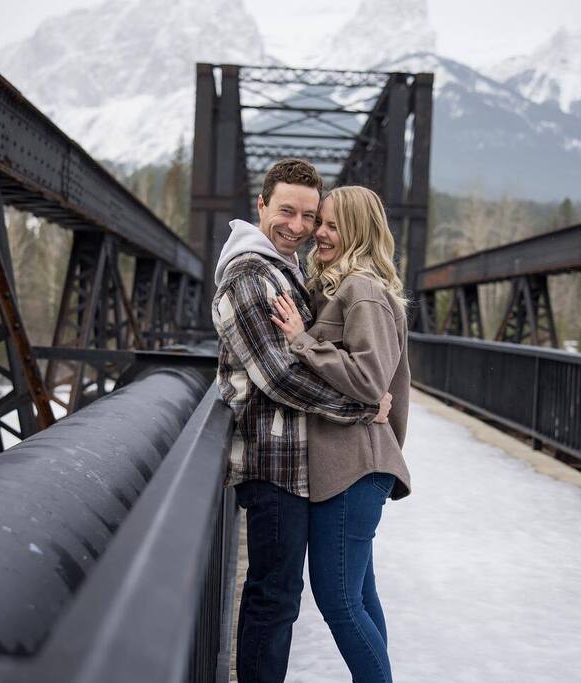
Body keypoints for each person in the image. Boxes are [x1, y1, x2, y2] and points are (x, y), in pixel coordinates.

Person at [212, 160, 393, 683]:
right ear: (261, 206)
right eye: (286, 211)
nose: (298, 226)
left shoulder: (286, 269)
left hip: (301, 462)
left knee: (318, 597)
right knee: (276, 598)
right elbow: (279, 377)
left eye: (311, 217)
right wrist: (361, 408)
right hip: (273, 463)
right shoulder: (251, 273)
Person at [270, 185, 412, 683]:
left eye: (332, 225)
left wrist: (302, 342)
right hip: (350, 464)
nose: (319, 233)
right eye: (320, 222)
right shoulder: (337, 286)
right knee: (359, 598)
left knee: (338, 598)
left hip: (356, 465)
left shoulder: (362, 290)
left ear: (357, 231)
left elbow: (371, 381)